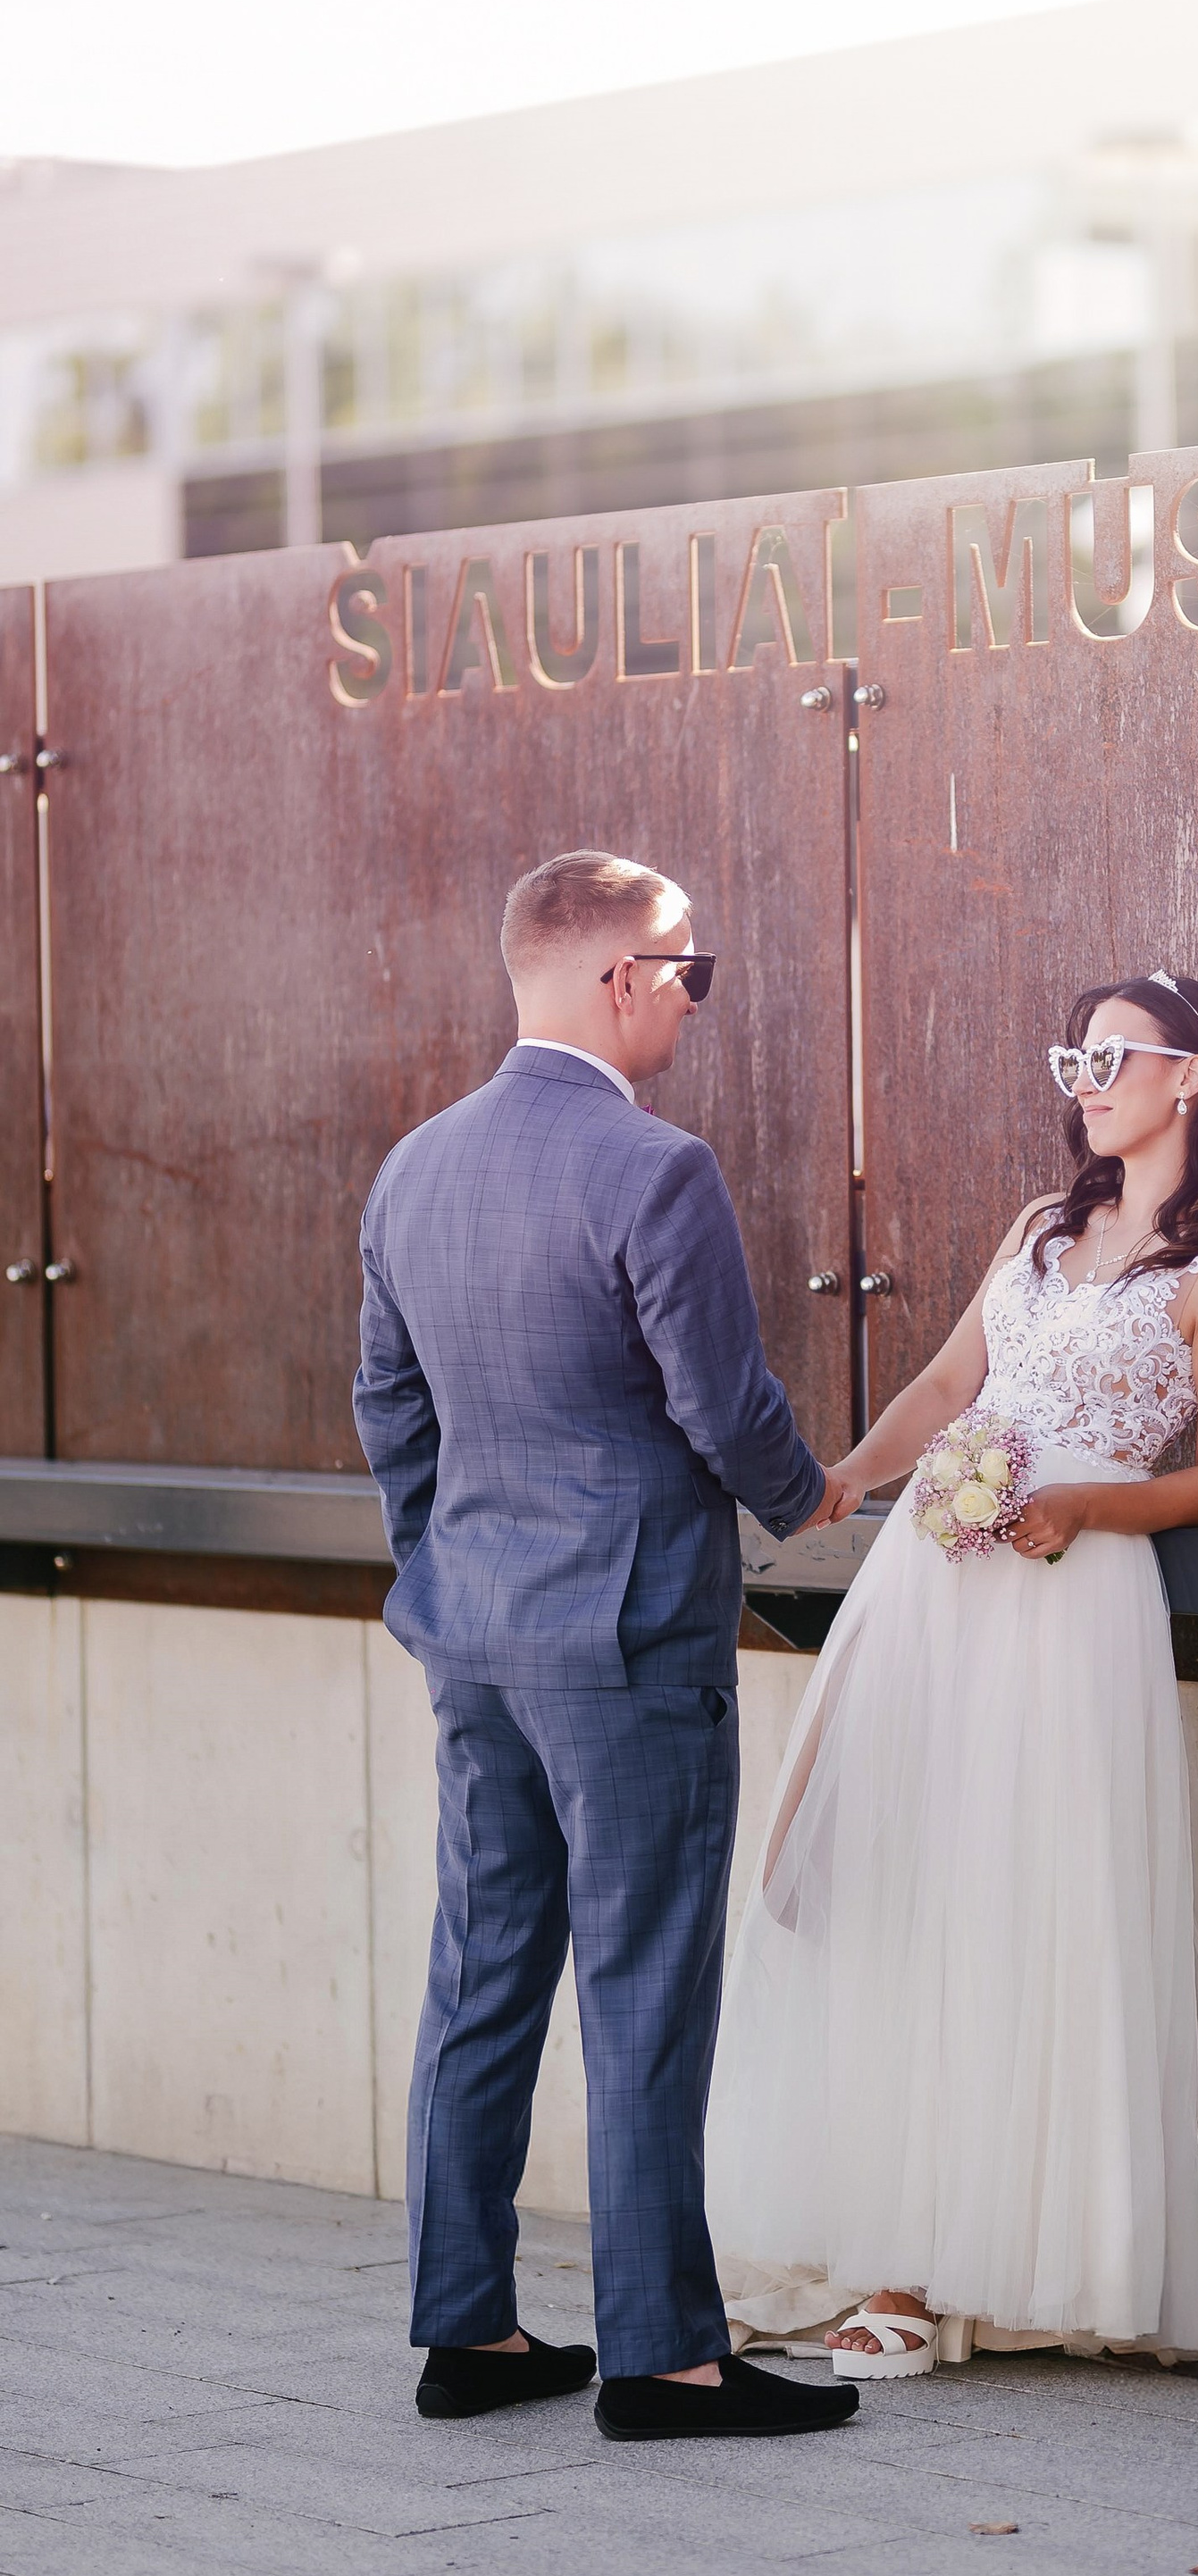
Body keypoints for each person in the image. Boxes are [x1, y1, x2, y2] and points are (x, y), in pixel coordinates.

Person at [707, 968, 1198, 2377]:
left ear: (1191, 1077)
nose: (1083, 1081)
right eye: (1070, 1059)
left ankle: (972, 2266)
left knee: (1027, 1904)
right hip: (934, 1584)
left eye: (1110, 1056)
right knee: (893, 1888)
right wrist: (848, 1476)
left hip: (1069, 1600)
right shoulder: (1038, 1230)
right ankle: (882, 2242)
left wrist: (1089, 1505)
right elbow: (952, 1384)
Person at [354, 849, 861, 2445]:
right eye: (689, 972)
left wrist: (453, 1567)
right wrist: (812, 1494)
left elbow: (390, 1410)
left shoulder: (413, 1169)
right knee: (644, 1984)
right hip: (630, 1636)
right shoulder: (655, 1170)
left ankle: (467, 2332)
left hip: (478, 1634)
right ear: (620, 978)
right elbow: (720, 1403)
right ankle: (663, 2360)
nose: (698, 1002)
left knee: (483, 1972)